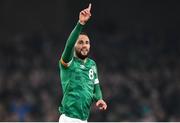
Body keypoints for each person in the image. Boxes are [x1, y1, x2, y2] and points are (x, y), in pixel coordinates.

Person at [58, 3, 107, 123]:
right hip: (69, 118)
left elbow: (95, 86)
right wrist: (80, 24)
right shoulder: (68, 63)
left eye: (87, 42)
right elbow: (69, 45)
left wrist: (99, 99)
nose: (84, 45)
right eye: (80, 42)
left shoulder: (92, 64)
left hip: (84, 119)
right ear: (75, 45)